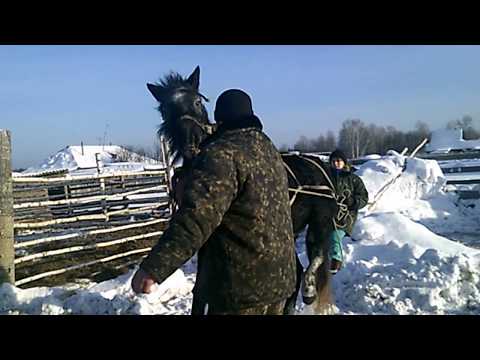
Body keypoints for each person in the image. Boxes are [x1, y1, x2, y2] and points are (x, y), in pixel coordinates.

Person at [131, 89, 296, 315]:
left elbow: (196, 219)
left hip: (242, 287)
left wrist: (154, 268)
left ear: (218, 119)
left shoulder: (222, 154)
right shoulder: (268, 148)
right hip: (280, 279)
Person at [328, 149, 368, 274]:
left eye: (338, 161)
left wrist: (352, 202)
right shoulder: (326, 177)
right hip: (328, 214)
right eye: (334, 161)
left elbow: (364, 198)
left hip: (346, 216)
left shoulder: (353, 179)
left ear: (344, 162)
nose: (336, 163)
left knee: (335, 235)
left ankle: (336, 261)